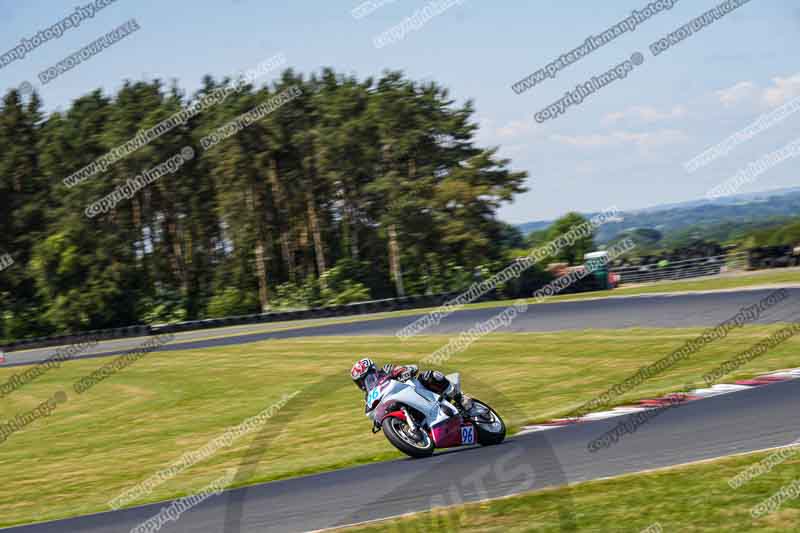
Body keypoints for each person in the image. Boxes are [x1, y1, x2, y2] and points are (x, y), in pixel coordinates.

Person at [350, 358, 468, 410]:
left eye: (368, 378)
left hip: (416, 390)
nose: (366, 383)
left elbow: (411, 367)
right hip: (400, 404)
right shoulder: (369, 398)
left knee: (430, 376)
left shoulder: (386, 370)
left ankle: (460, 398)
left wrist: (405, 372)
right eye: (361, 382)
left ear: (374, 371)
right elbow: (374, 413)